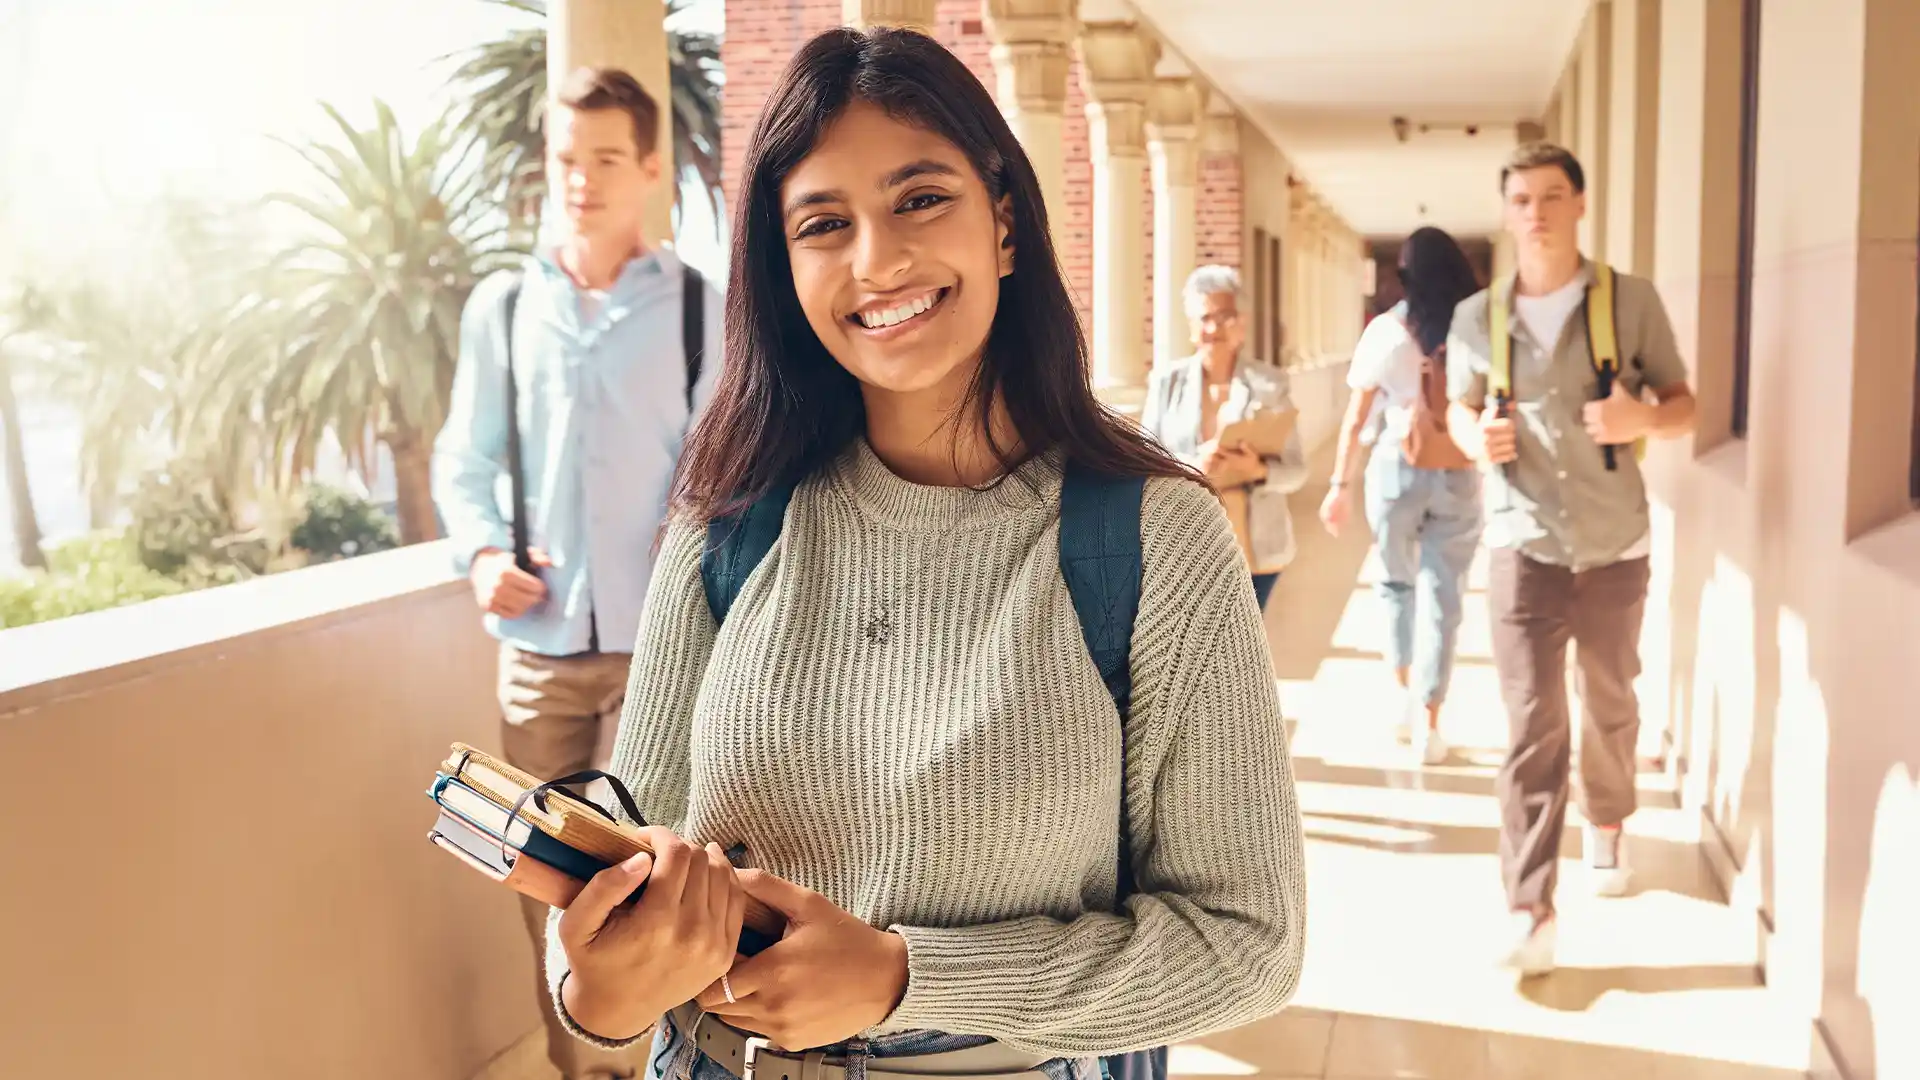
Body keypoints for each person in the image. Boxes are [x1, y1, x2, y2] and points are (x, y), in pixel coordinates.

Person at [539, 26, 1306, 1080]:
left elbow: (1249, 945)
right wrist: (599, 989)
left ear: (1003, 221)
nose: (877, 260)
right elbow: (640, 860)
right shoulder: (727, 525)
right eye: (823, 223)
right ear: (784, 267)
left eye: (920, 199)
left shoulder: (1151, 538)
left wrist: (910, 977)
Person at [431, 67, 724, 1080]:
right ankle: (584, 1066)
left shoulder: (699, 309)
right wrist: (480, 556)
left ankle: (668, 1060)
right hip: (539, 650)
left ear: (649, 168)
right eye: (567, 160)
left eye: (607, 159)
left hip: (668, 647)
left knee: (664, 871)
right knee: (542, 880)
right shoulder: (503, 307)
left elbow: (730, 466)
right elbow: (464, 461)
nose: (583, 181)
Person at [1444, 142, 1697, 974]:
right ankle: (1530, 907)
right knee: (1532, 724)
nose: (1537, 213)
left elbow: (1684, 403)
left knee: (1610, 702)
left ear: (1579, 205)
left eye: (1552, 197)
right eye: (1522, 200)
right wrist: (1471, 437)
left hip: (1616, 544)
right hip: (1524, 545)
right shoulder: (1479, 316)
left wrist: (1643, 422)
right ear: (1508, 212)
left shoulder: (1630, 302)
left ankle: (1611, 817)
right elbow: (1458, 407)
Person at [1320, 227, 1483, 766]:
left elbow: (1356, 418)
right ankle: (1431, 723)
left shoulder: (1385, 332)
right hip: (1458, 466)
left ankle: (1403, 698)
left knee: (1394, 585)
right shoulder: (1473, 327)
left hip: (1394, 469)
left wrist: (1339, 484)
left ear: (1405, 275)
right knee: (1445, 596)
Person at [1140, 265, 1310, 611]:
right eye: (1204, 318)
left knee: (1247, 652)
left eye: (1226, 316)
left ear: (1242, 323)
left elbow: (1298, 471)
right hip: (1186, 543)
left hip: (1256, 546)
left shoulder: (1271, 384)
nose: (1214, 328)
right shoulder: (1166, 383)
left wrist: (1258, 471)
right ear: (1191, 325)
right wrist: (1192, 465)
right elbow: (1143, 462)